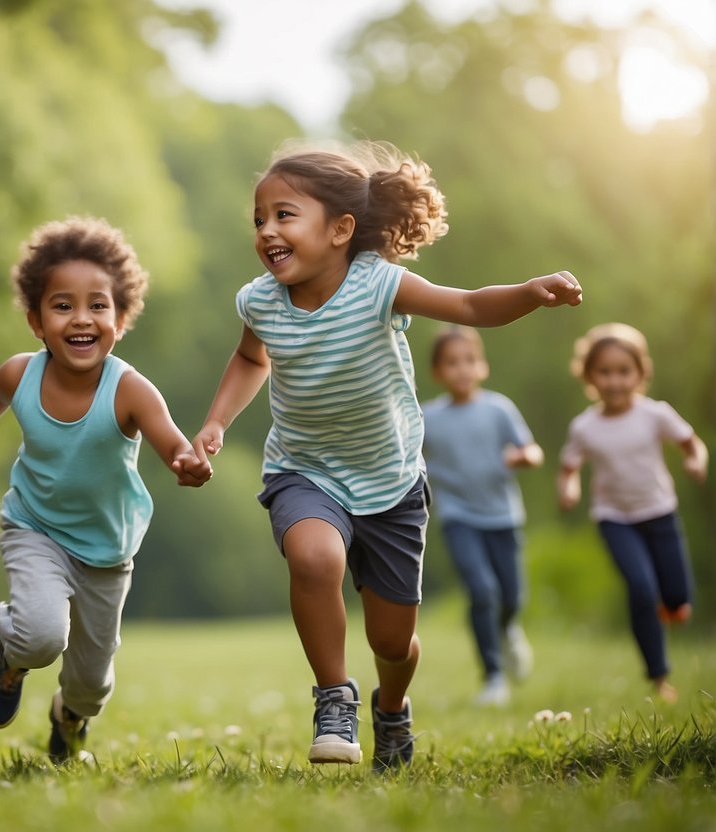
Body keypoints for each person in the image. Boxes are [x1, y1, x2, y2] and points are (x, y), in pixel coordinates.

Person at [192, 140, 582, 771]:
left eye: (284, 215)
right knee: (313, 558)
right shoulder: (260, 300)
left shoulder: (379, 284)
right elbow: (249, 357)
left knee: (393, 641)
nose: (267, 231)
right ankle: (333, 697)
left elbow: (468, 305)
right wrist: (215, 422)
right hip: (304, 468)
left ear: (342, 229)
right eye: (259, 218)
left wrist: (528, 292)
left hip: (391, 481)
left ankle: (391, 707)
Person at [0, 216, 212, 764]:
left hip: (107, 550)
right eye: (62, 306)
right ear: (35, 319)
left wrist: (188, 462)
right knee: (39, 635)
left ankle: (68, 717)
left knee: (92, 683)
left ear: (121, 318)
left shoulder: (129, 389)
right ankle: (9, 651)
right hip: (35, 528)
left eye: (98, 305)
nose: (81, 319)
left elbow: (172, 444)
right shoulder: (17, 376)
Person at [557, 323, 707, 704]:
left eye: (624, 371)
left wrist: (696, 462)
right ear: (589, 376)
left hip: (659, 513)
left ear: (641, 373)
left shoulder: (655, 415)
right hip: (614, 518)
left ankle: (671, 604)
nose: (614, 381)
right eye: (604, 372)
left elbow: (692, 445)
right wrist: (569, 491)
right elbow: (569, 469)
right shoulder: (585, 427)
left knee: (676, 598)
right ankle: (659, 677)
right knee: (641, 590)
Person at [421, 326, 540, 707]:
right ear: (437, 372)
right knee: (481, 590)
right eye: (452, 363)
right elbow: (407, 453)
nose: (462, 370)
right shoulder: (428, 416)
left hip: (503, 515)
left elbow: (531, 450)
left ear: (482, 366)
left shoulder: (498, 408)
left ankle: (508, 631)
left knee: (512, 596)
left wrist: (524, 457)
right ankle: (492, 677)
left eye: (469, 361)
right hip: (458, 516)